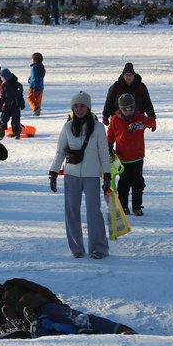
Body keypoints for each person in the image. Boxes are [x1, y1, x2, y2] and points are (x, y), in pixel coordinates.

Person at [49, 91, 112, 259]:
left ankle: (99, 248)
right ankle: (76, 248)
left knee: (93, 211)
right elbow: (60, 152)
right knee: (71, 211)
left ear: (88, 107)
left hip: (91, 175)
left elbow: (104, 154)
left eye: (82, 106)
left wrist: (107, 176)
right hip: (71, 174)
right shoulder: (68, 127)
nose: (79, 109)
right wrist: (53, 173)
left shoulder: (98, 128)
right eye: (75, 106)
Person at [0, 273, 137, 336]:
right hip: (32, 322)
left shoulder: (12, 283)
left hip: (44, 306)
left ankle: (120, 329)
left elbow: (42, 289)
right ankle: (83, 334)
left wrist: (59, 305)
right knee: (51, 334)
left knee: (79, 318)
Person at [107, 93, 156, 216]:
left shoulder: (139, 117)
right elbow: (110, 136)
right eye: (125, 109)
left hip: (137, 157)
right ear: (120, 109)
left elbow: (151, 122)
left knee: (138, 183)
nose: (128, 112)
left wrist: (142, 125)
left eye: (131, 108)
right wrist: (108, 148)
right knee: (124, 183)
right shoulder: (115, 119)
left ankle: (137, 206)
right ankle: (123, 206)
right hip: (123, 158)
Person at [0, 68, 25, 140]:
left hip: (15, 105)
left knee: (16, 120)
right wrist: (0, 105)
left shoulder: (18, 85)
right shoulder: (4, 86)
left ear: (6, 77)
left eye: (2, 77)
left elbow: (20, 96)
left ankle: (17, 134)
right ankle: (1, 132)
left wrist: (22, 104)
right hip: (7, 106)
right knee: (3, 119)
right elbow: (3, 97)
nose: (1, 79)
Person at [28, 52, 45, 117]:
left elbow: (35, 77)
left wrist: (34, 86)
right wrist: (30, 78)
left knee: (30, 98)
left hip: (33, 86)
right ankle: (38, 112)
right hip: (41, 86)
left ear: (34, 60)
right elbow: (40, 76)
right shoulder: (42, 67)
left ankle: (35, 109)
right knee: (38, 99)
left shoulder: (34, 68)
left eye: (32, 59)